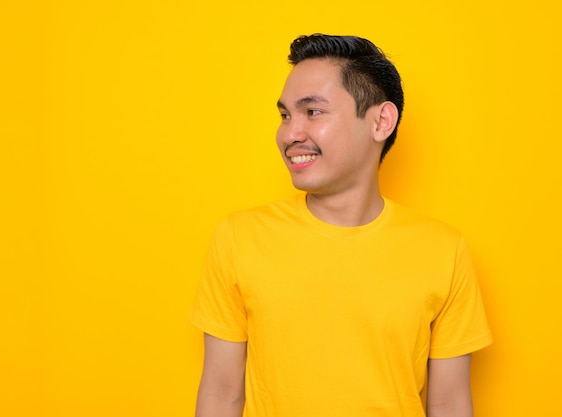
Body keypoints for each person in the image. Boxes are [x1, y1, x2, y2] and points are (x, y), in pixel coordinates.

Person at [190, 34, 492, 417]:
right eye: (285, 115)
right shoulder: (239, 237)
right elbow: (220, 394)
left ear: (381, 121)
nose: (290, 134)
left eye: (312, 112)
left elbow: (449, 404)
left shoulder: (444, 250)